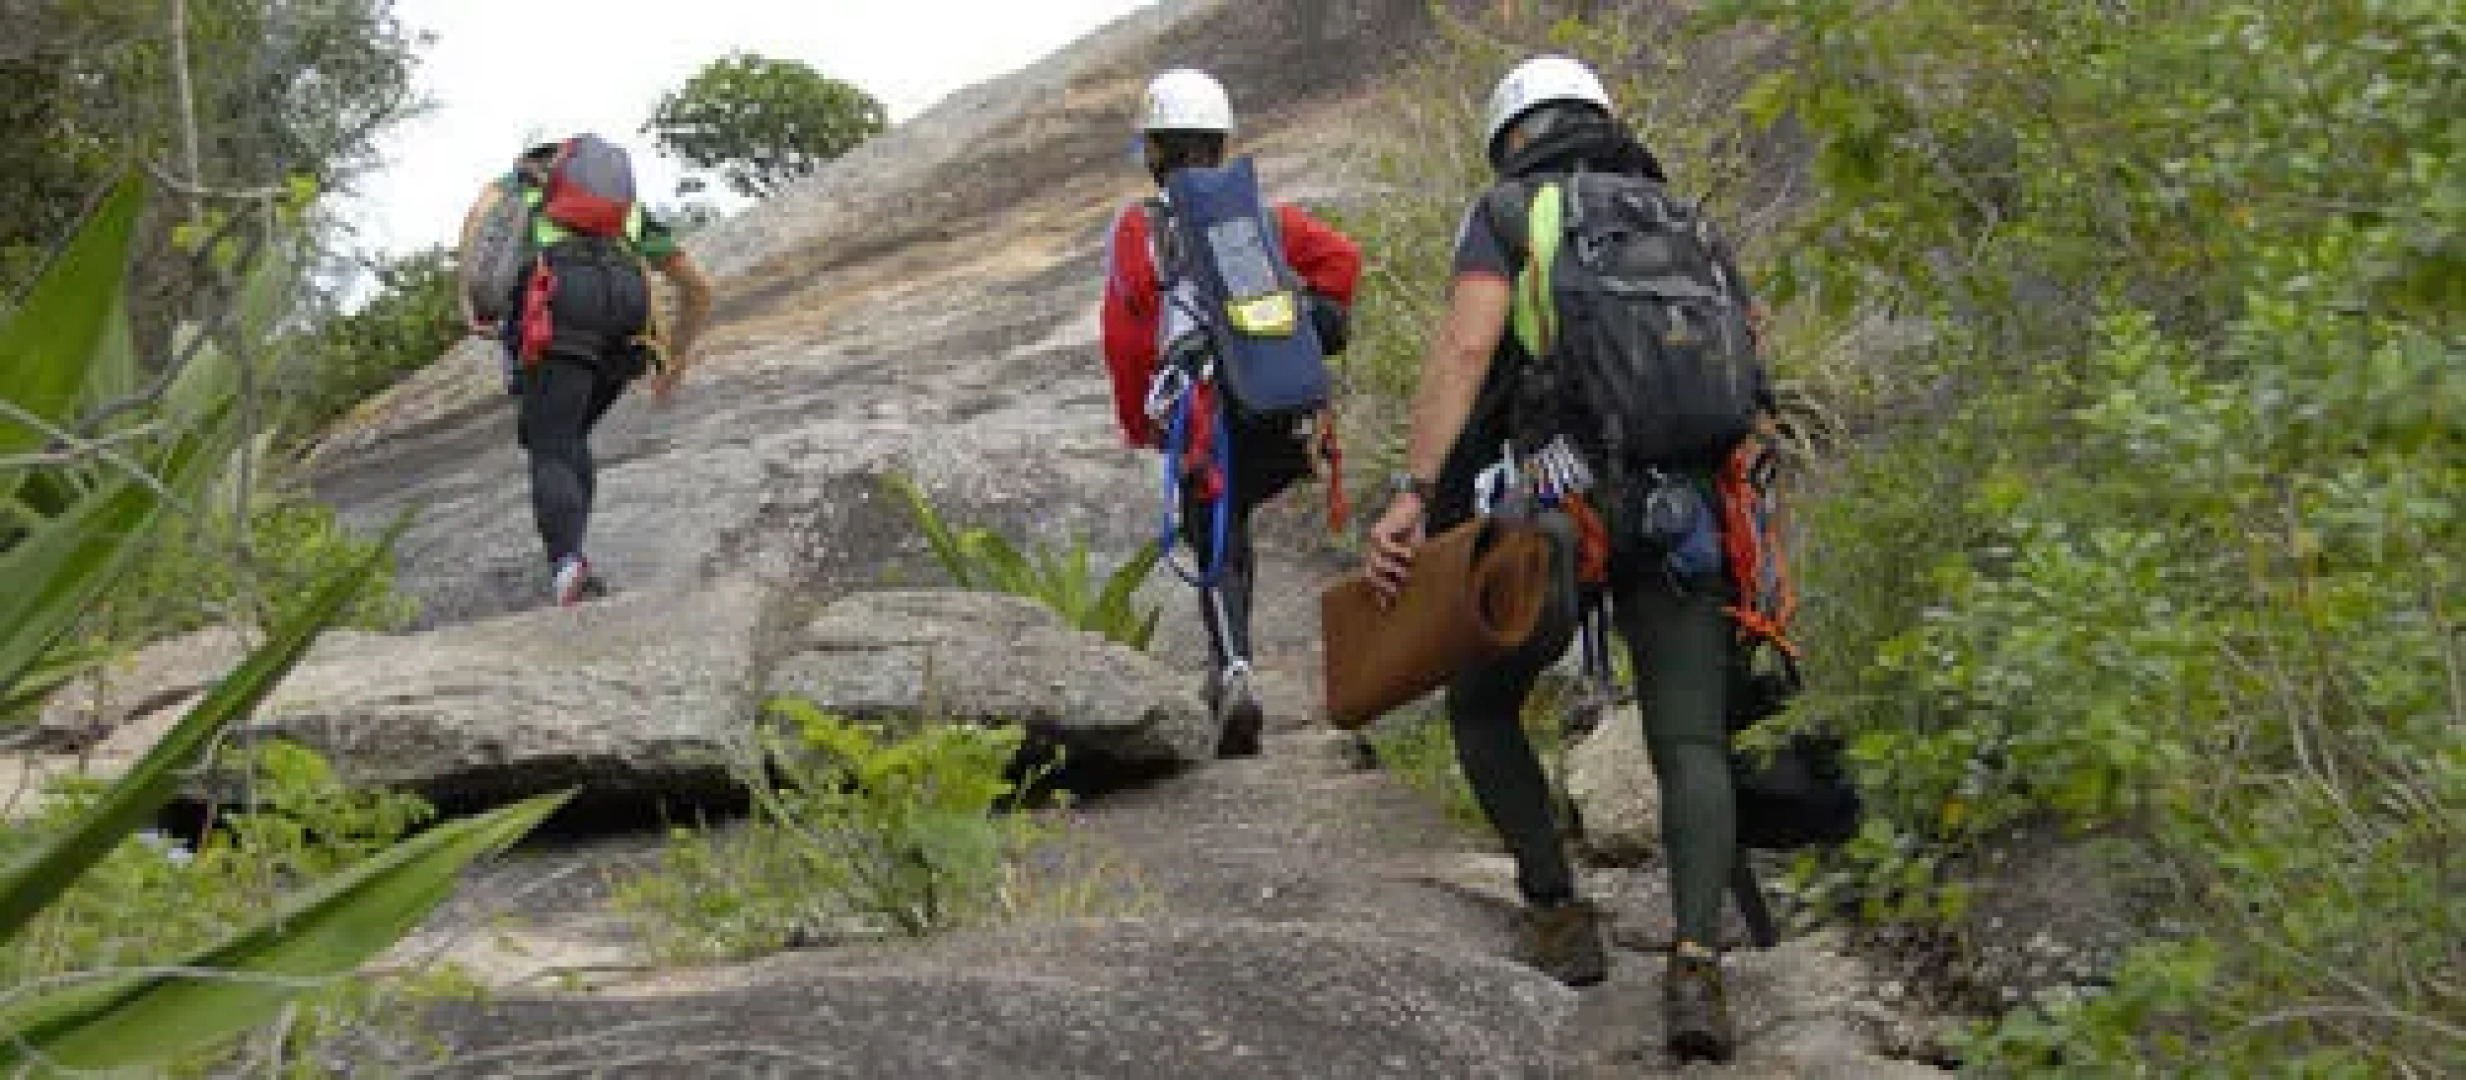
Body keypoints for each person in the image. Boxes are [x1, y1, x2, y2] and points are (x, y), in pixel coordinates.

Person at [1361, 56, 1771, 1061]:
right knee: (1690, 745)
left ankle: (1558, 910)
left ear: (1509, 136)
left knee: (1482, 703)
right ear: (1601, 120)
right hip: (1681, 514)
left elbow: (1465, 350)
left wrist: (1414, 494)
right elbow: (1753, 378)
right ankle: (1695, 968)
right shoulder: (1688, 224)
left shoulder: (1508, 213)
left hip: (1556, 508)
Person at [1101, 69, 1362, 757]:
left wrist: (1142, 423)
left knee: (1213, 536)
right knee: (1235, 523)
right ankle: (1230, 667)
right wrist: (1303, 321)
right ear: (1220, 145)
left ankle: (1235, 673)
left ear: (1154, 150)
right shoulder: (1266, 222)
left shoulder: (1141, 229)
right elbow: (1344, 261)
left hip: (1203, 409)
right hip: (1273, 405)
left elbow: (1127, 336)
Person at [456, 135, 715, 605]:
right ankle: (573, 558)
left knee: (551, 440)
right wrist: (676, 356)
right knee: (569, 435)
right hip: (627, 309)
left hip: (562, 300)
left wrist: (470, 301)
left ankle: (567, 566)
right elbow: (697, 288)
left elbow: (477, 228)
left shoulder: (521, 194)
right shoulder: (626, 212)